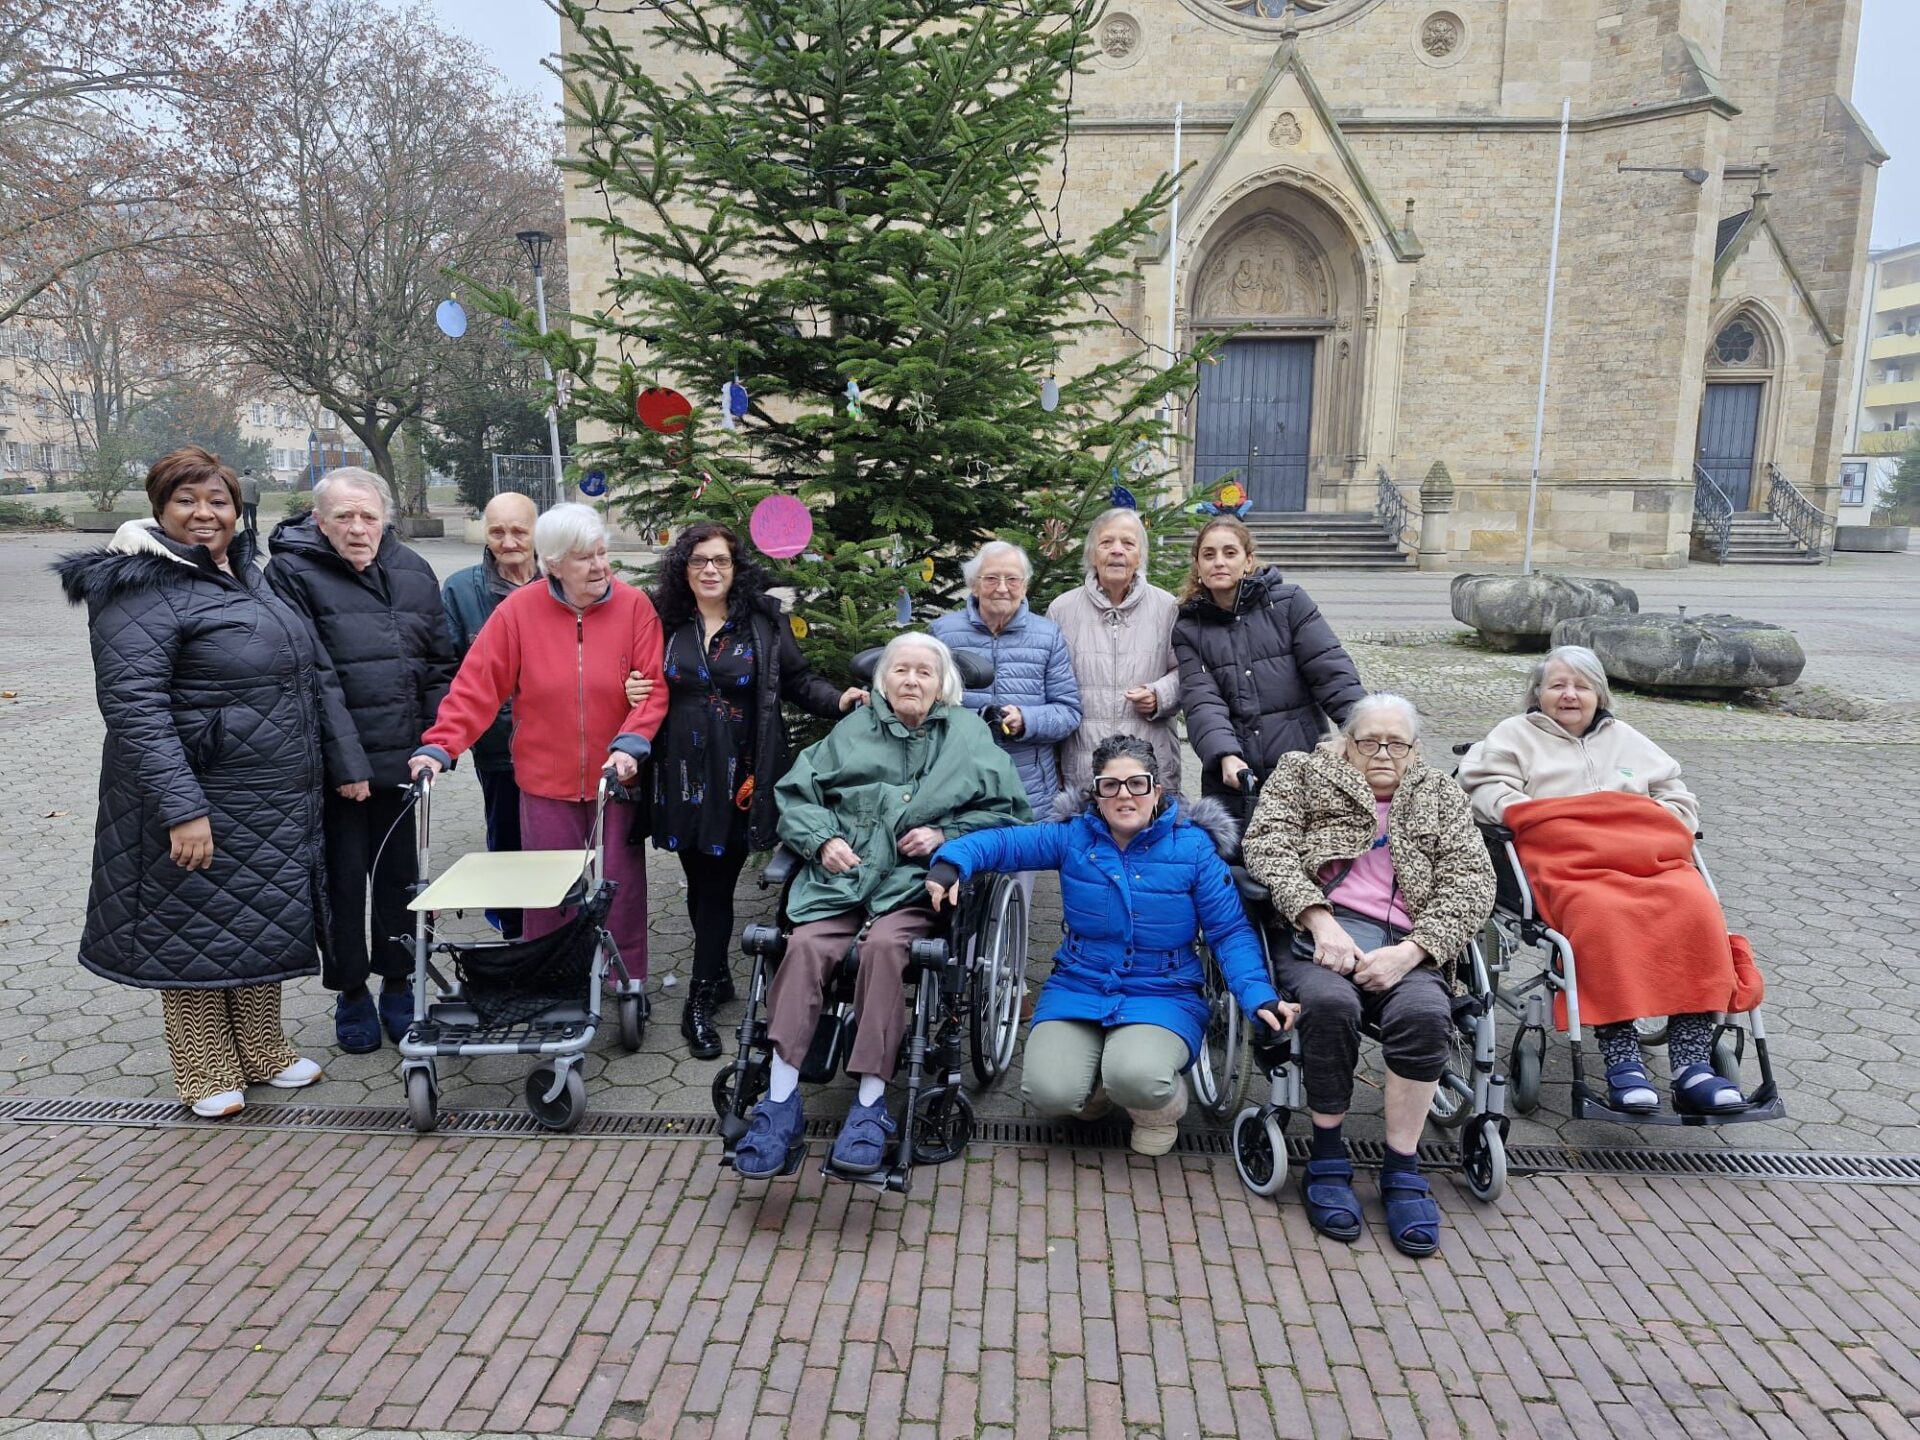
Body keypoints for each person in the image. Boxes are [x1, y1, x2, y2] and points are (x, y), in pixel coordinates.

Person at [54, 447, 332, 1117]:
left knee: (256, 917)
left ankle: (262, 1049)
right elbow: (134, 708)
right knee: (192, 926)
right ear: (159, 509)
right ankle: (205, 1069)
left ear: (238, 512)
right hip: (194, 791)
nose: (205, 514)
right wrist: (182, 808)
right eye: (187, 501)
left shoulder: (243, 573)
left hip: (264, 791)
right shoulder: (140, 587)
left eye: (218, 502)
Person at [732, 633, 1031, 1179]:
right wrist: (823, 839)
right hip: (839, 881)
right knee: (803, 945)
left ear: (942, 684)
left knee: (887, 949)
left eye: (923, 672)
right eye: (901, 671)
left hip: (915, 889)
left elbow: (1011, 816)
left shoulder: (969, 735)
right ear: (882, 680)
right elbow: (796, 794)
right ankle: (780, 1102)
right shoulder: (854, 729)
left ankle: (870, 1108)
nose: (911, 681)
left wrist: (947, 833)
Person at [927, 734, 1297, 1156]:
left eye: (1137, 784)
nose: (1125, 796)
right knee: (1049, 1092)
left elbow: (1229, 932)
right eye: (1110, 785)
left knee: (1138, 1076)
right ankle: (1098, 1087)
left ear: (1157, 790)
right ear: (1096, 795)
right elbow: (1002, 842)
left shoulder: (1193, 849)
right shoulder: (1073, 838)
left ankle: (1157, 1107)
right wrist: (951, 862)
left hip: (1164, 987)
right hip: (1080, 983)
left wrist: (1260, 998)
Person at [1240, 694, 1496, 1256]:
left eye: (1396, 743)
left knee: (1427, 1015)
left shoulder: (1438, 793)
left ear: (1414, 750)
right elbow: (1266, 846)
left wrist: (1414, 951)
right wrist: (1321, 920)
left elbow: (1474, 879)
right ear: (1346, 742)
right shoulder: (1303, 773)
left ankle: (1402, 1167)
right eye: (1369, 741)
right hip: (1319, 934)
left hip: (1409, 942)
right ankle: (1328, 1154)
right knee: (1330, 1007)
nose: (1383, 753)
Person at [1457, 645, 1748, 1117]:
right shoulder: (1512, 735)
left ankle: (1692, 1063)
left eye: (1582, 685)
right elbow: (1486, 791)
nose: (1569, 695)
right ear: (1537, 693)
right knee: (1603, 915)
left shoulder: (1628, 738)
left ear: (1600, 694)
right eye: (1557, 685)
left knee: (1697, 909)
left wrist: (1644, 819)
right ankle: (1623, 1060)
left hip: (1648, 861)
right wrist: (1547, 816)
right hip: (1571, 866)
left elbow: (1677, 796)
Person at [411, 502, 668, 982]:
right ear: (552, 564)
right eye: (583, 558)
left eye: (601, 553)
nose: (599, 567)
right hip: (544, 782)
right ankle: (553, 981)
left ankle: (626, 980)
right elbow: (476, 687)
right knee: (549, 895)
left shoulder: (635, 607)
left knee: (621, 889)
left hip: (616, 779)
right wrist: (439, 746)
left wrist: (631, 744)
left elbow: (653, 690)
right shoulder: (518, 612)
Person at [640, 522, 865, 1059]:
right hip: (681, 775)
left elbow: (797, 680)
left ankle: (700, 994)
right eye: (698, 561)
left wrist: (840, 702)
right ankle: (715, 977)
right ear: (683, 569)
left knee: (717, 882)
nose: (710, 570)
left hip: (742, 774)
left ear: (736, 567)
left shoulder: (762, 619)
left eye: (719, 560)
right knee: (699, 878)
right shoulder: (663, 619)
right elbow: (638, 675)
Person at [265, 466, 457, 1054]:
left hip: (405, 765)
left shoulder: (414, 571)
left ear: (385, 520)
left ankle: (399, 983)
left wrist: (434, 745)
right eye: (343, 516)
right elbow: (309, 677)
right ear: (319, 521)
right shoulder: (289, 574)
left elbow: (440, 664)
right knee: (343, 885)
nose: (357, 528)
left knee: (404, 880)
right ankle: (351, 991)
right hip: (334, 770)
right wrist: (346, 764)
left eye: (368, 516)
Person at [1172, 516, 1365, 801]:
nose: (1219, 562)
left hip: (1301, 762)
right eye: (1208, 555)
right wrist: (1225, 754)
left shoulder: (1288, 604)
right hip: (1236, 773)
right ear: (1198, 565)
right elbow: (1202, 701)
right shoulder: (1190, 627)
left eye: (1230, 552)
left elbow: (1331, 672)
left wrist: (1367, 735)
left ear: (1248, 561)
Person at [441, 491, 542, 940]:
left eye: (519, 530)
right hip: (499, 746)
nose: (508, 541)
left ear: (536, 532)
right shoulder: (462, 590)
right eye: (497, 531)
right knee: (506, 841)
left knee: (559, 846)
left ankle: (560, 934)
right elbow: (450, 669)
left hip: (559, 746)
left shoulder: (560, 579)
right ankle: (513, 936)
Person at [929, 540, 1082, 824]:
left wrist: (1027, 719)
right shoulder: (943, 634)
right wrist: (977, 721)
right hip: (962, 782)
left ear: (1024, 586)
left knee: (1025, 863)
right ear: (974, 585)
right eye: (991, 579)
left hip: (1031, 790)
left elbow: (1069, 711)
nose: (1002, 588)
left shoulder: (1047, 636)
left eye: (1012, 579)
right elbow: (927, 709)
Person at [1046, 506, 1183, 796]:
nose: (1117, 551)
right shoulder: (1061, 610)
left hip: (1148, 768)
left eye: (1128, 543)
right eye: (1106, 543)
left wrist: (1160, 695)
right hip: (1083, 765)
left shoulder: (1168, 607)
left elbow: (1188, 672)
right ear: (1092, 554)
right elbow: (1047, 686)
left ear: (1140, 556)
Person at [237, 468, 261, 538]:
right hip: (252, 501)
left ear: (243, 472)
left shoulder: (239, 480)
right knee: (253, 517)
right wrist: (257, 500)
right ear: (250, 473)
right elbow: (257, 493)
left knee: (245, 517)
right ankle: (254, 530)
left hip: (243, 501)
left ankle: (247, 530)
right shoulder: (254, 482)